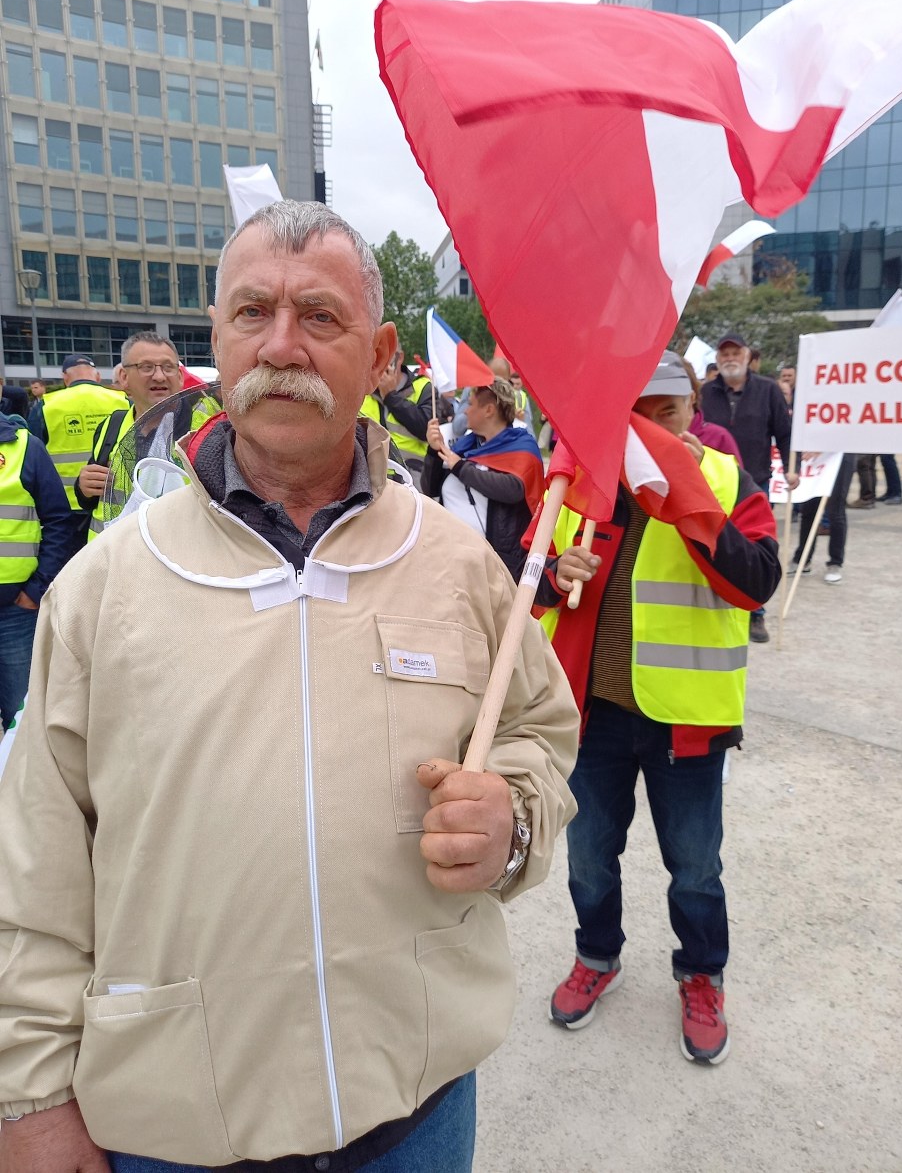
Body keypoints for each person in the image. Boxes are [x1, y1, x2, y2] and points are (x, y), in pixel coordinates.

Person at [0, 199, 578, 1173]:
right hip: (171, 1130)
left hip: (417, 1112)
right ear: (214, 339)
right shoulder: (106, 589)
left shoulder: (457, 563)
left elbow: (537, 737)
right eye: (252, 312)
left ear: (381, 352)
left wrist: (511, 824)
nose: (282, 344)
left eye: (320, 316)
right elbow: (35, 867)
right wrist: (30, 1096)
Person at [540, 351, 780, 1065]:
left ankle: (701, 977)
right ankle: (596, 955)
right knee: (587, 858)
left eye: (666, 410)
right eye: (637, 412)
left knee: (696, 867)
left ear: (692, 407)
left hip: (687, 719)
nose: (651, 426)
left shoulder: (723, 479)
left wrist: (692, 513)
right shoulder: (584, 485)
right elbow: (533, 585)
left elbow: (759, 580)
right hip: (595, 716)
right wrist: (556, 574)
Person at [74, 332, 219, 539]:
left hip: (177, 559)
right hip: (112, 559)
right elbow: (97, 497)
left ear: (179, 377)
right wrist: (84, 487)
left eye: (168, 367)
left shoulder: (208, 426)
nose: (159, 376)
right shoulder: (111, 424)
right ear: (124, 377)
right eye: (146, 367)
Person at [701, 332, 797, 644]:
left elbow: (783, 434)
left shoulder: (768, 390)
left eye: (735, 353)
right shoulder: (704, 392)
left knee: (757, 550)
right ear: (718, 359)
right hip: (710, 483)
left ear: (747, 356)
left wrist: (790, 468)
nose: (729, 358)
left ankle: (756, 614)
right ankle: (714, 600)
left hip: (754, 484)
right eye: (724, 353)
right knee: (715, 545)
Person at [422, 377, 544, 583]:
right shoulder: (465, 445)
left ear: (489, 410)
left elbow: (513, 489)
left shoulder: (522, 445)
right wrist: (434, 452)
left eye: (470, 404)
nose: (465, 411)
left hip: (496, 565)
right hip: (452, 558)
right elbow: (430, 488)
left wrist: (461, 467)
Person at [0, 410, 71, 730]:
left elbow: (58, 519)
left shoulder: (25, 447)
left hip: (13, 611)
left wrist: (36, 590)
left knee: (22, 715)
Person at [30, 355, 128, 559]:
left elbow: (31, 457)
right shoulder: (122, 400)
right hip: (110, 501)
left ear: (65, 377)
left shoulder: (48, 405)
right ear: (98, 376)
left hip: (63, 505)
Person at [359, 346, 439, 477]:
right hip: (371, 479)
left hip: (412, 476)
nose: (379, 362)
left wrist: (391, 397)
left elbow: (425, 429)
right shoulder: (364, 390)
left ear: (399, 357)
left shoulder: (423, 387)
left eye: (385, 355)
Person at [789, 453, 856, 584]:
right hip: (814, 458)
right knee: (808, 507)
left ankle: (835, 563)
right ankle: (802, 559)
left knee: (836, 510)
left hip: (839, 454)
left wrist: (819, 449)